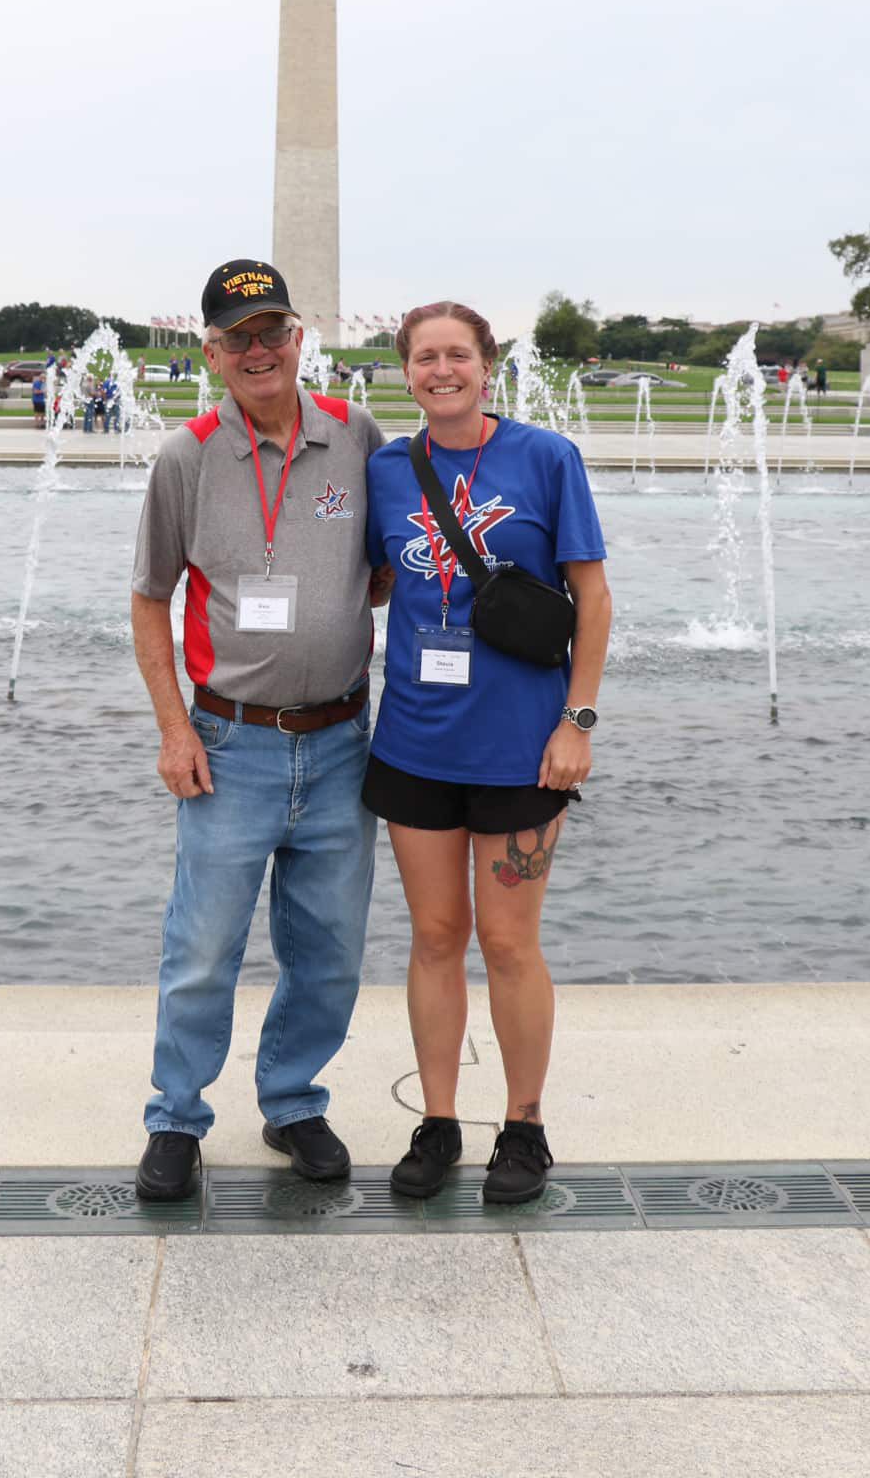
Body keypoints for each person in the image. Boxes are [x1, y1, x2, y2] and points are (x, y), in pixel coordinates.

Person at [130, 259, 387, 1202]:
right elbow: (149, 598)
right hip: (229, 743)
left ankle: (292, 1101)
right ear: (210, 351)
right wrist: (172, 728)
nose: (257, 350)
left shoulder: (356, 436)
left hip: (338, 746)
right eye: (236, 336)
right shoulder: (186, 457)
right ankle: (175, 1117)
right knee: (202, 945)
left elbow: (391, 563)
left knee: (329, 946)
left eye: (271, 331)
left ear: (298, 339)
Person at [363, 301, 611, 1205]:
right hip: (415, 739)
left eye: (456, 355)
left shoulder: (546, 458)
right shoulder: (389, 468)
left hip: (521, 745)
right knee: (433, 936)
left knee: (508, 943)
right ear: (405, 371)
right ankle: (437, 1121)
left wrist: (575, 721)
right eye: (424, 358)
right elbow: (369, 577)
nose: (441, 371)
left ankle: (524, 1124)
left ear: (486, 363)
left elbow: (591, 595)